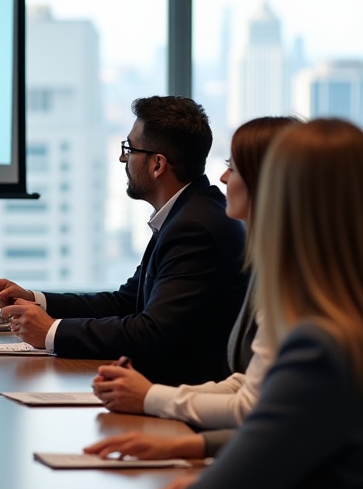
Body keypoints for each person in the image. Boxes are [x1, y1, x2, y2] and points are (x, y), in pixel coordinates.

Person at [143, 118, 363, 489]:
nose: (222, 180)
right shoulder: (345, 330)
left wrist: (214, 475)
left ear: (284, 208)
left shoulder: (319, 346)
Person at [0, 96, 248, 386]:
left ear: (158, 164)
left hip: (180, 404)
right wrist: (34, 299)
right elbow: (126, 302)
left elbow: (153, 332)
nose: (122, 158)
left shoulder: (194, 226)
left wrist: (52, 330)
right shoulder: (188, 212)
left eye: (129, 149)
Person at [84, 116, 297, 463]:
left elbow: (257, 408)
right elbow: (250, 384)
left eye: (233, 167)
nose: (224, 178)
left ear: (270, 183)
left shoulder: (199, 226)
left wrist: (152, 397)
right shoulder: (275, 266)